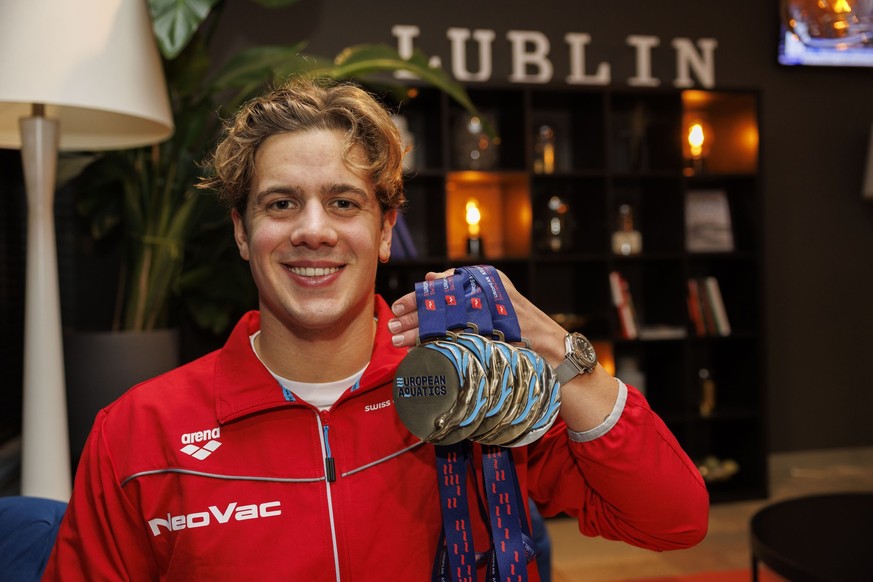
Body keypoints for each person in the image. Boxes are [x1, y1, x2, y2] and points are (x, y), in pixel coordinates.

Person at [44, 78, 708, 580]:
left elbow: (673, 519)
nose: (313, 229)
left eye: (343, 202)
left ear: (385, 230)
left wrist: (562, 352)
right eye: (281, 203)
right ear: (242, 232)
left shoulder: (472, 390)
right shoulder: (138, 434)